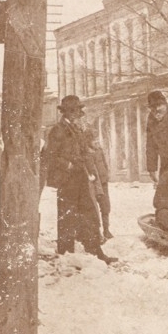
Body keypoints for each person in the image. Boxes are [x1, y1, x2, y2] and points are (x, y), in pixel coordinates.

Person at [43, 95, 117, 264]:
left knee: (89, 213)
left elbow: (85, 152)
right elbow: (50, 156)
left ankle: (95, 251)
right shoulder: (57, 131)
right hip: (67, 179)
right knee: (67, 216)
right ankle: (66, 253)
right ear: (67, 113)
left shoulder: (77, 130)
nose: (79, 115)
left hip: (81, 177)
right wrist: (68, 165)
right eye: (76, 112)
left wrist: (91, 171)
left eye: (78, 112)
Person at [85, 128, 113, 241]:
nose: (97, 142)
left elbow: (105, 164)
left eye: (97, 139)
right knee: (94, 209)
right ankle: (96, 232)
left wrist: (106, 174)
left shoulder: (99, 150)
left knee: (105, 207)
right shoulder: (87, 153)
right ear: (88, 142)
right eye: (94, 140)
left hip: (103, 182)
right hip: (93, 185)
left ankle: (106, 230)